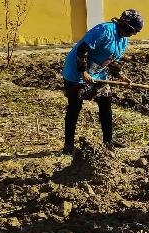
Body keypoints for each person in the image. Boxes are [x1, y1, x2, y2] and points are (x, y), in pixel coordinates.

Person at [62, 10, 144, 154]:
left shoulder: (123, 39)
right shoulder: (104, 30)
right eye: (132, 31)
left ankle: (108, 141)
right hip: (77, 71)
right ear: (124, 25)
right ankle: (68, 145)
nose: (132, 35)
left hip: (98, 73)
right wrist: (83, 72)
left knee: (105, 104)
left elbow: (112, 60)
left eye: (135, 33)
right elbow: (82, 49)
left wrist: (120, 75)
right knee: (74, 107)